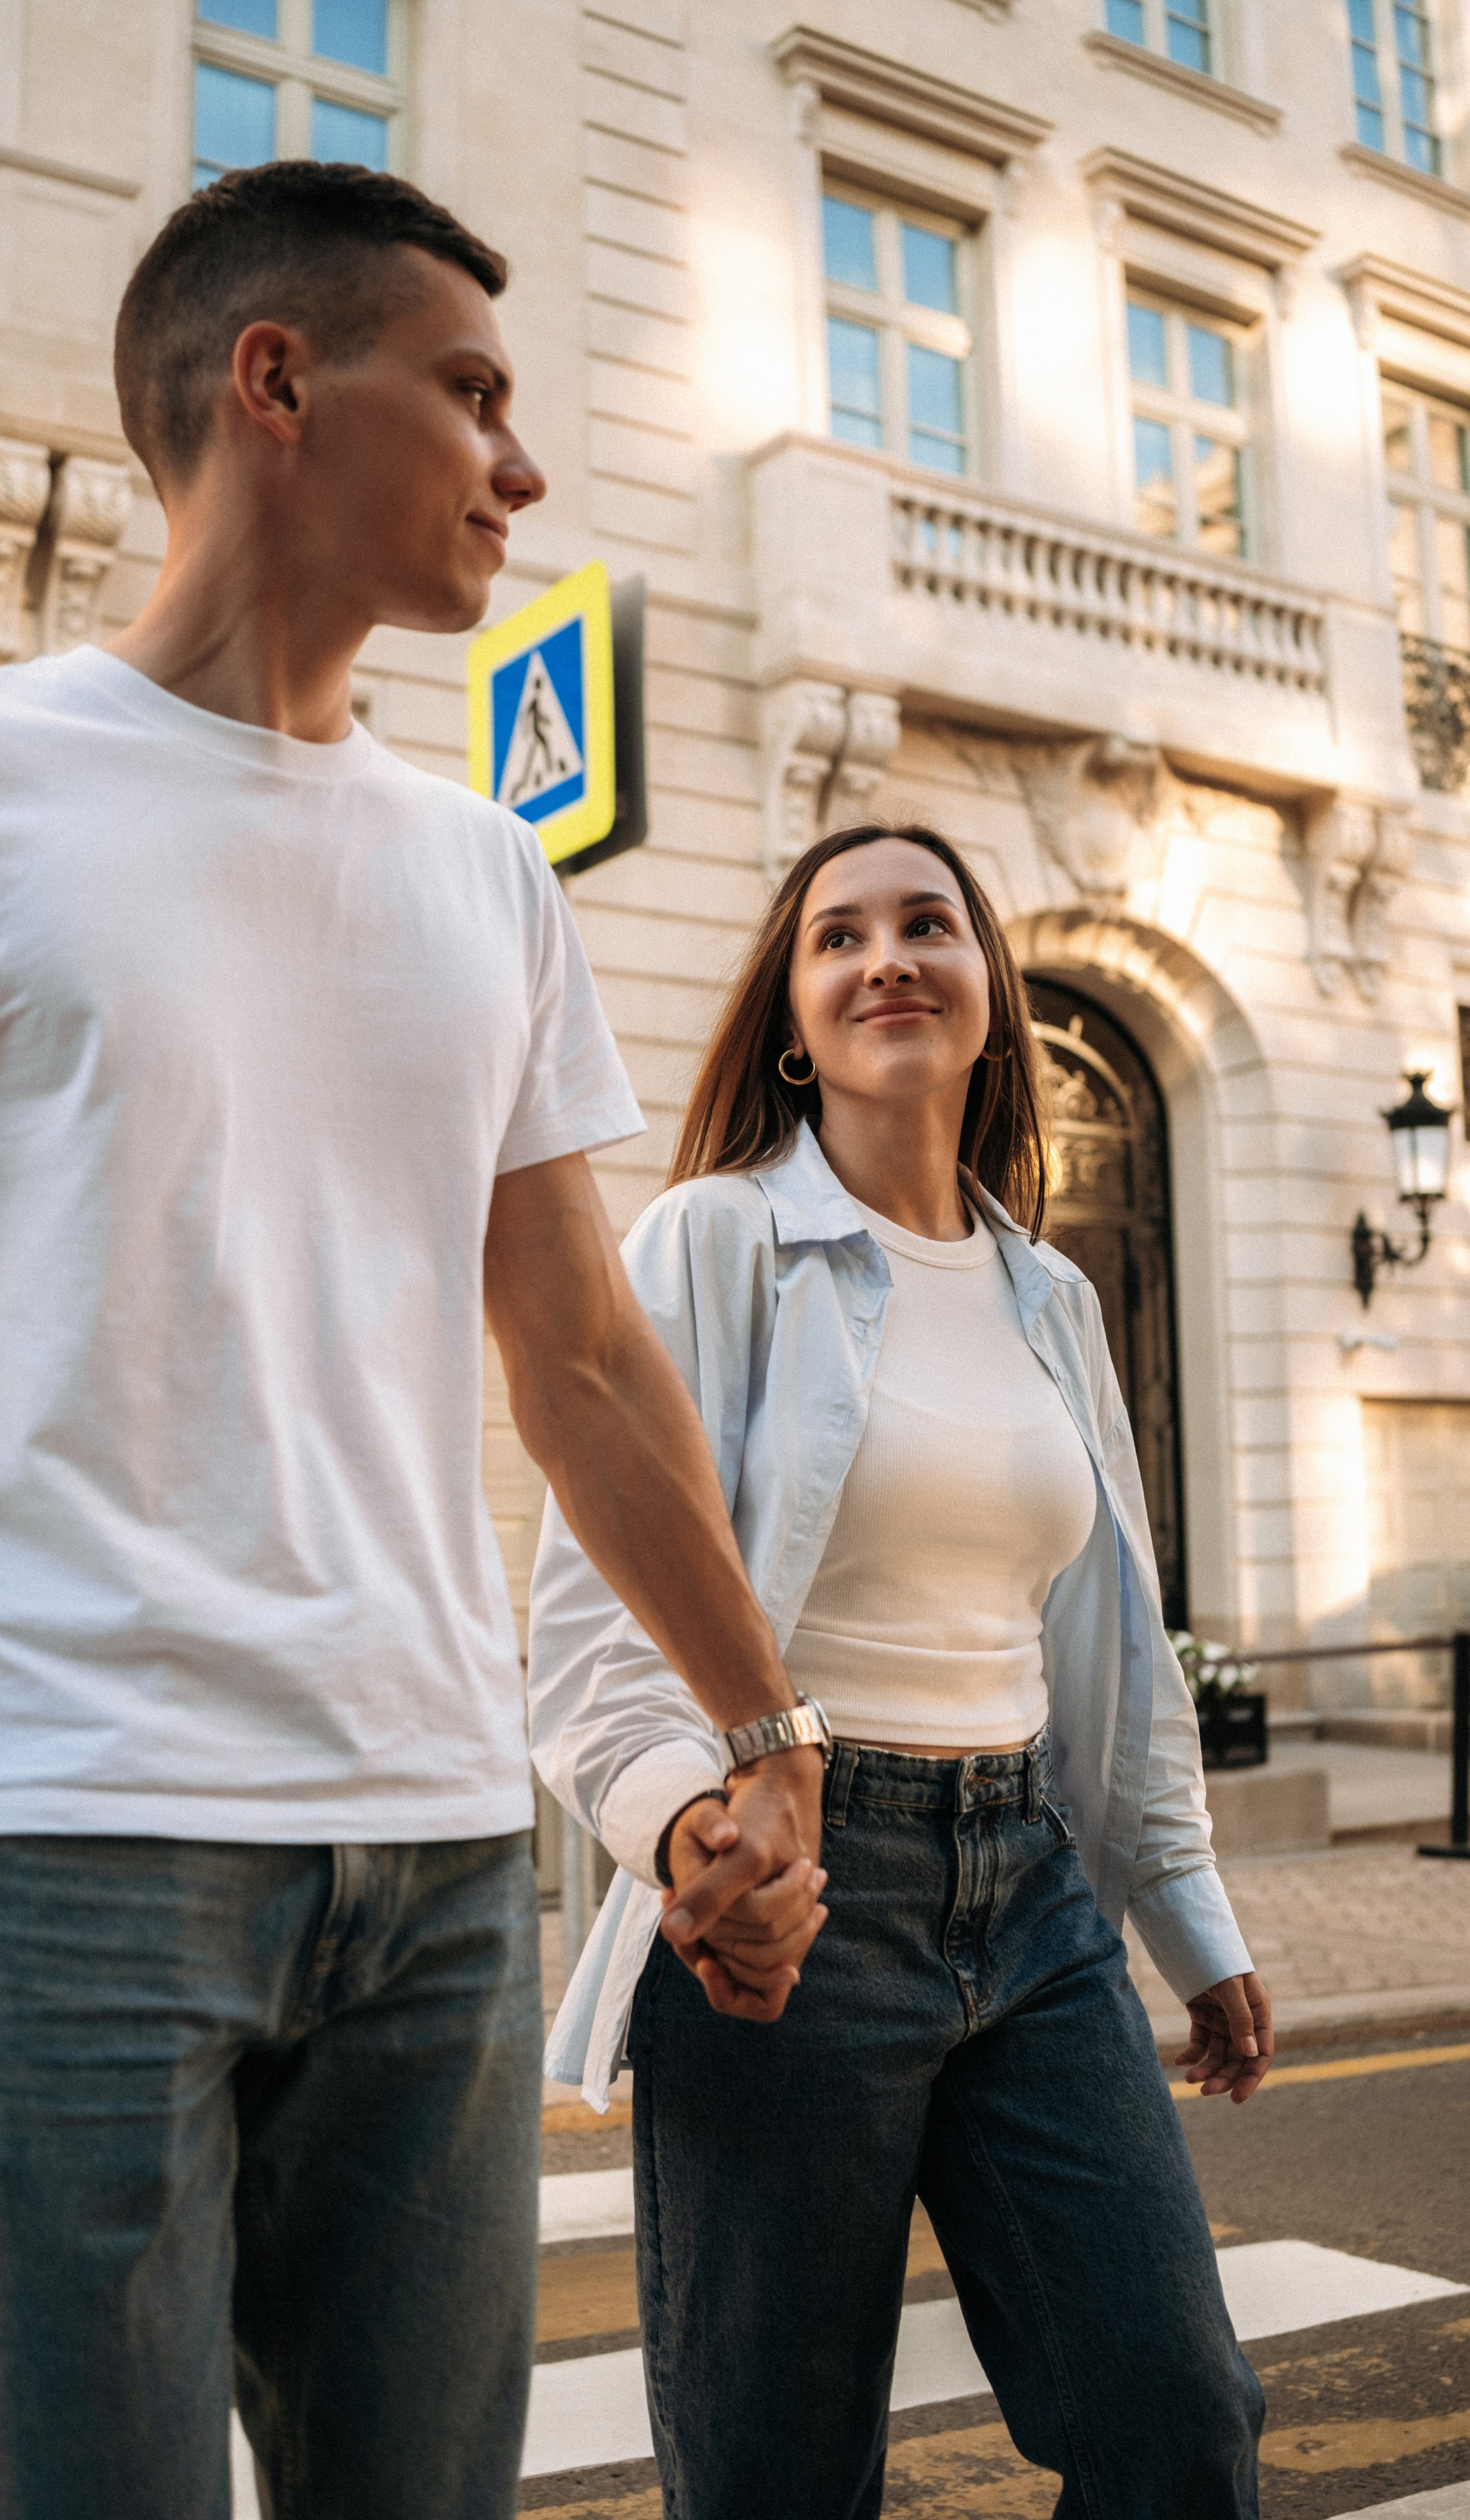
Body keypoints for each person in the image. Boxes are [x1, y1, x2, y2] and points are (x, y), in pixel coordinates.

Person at [0, 163, 827, 2520]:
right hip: (59, 1833)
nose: (520, 471)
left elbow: (577, 1361)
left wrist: (766, 1726)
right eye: (472, 396)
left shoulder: (482, 873)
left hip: (436, 1851)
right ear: (275, 384)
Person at [529, 821, 1274, 2520]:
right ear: (793, 1014)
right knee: (778, 2481)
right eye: (838, 934)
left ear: (991, 992)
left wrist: (1185, 1914)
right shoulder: (710, 1245)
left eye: (927, 924)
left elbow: (1107, 1641)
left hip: (1034, 1900)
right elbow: (589, 1623)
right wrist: (688, 1839)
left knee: (1181, 2423)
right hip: (788, 1899)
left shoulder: (1051, 1298)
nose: (887, 957)